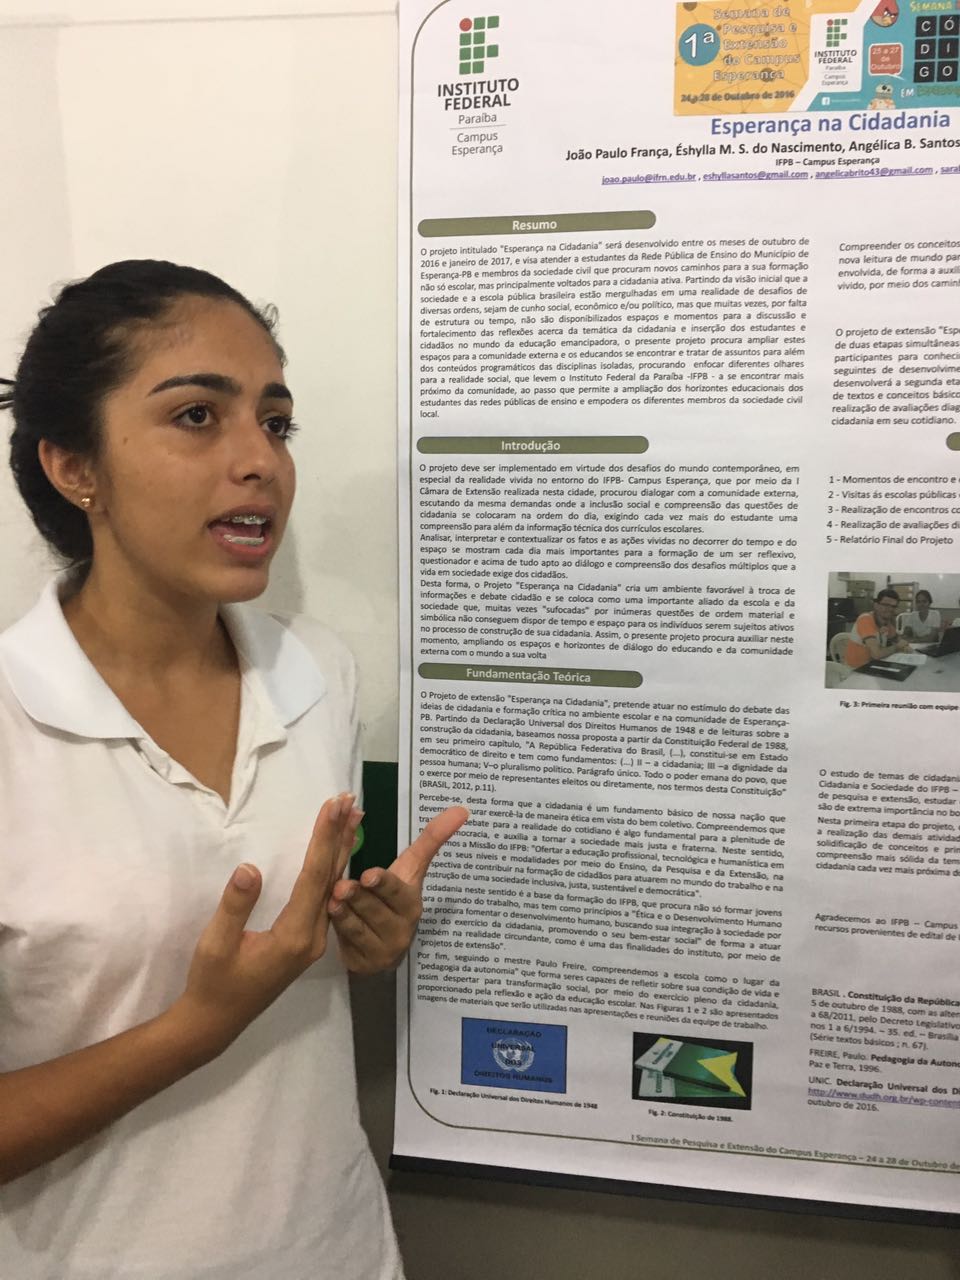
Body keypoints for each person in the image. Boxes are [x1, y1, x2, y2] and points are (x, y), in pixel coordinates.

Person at [0, 260, 467, 1280]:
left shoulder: (316, 671)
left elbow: (297, 954)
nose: (261, 460)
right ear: (75, 466)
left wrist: (365, 938)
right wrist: (195, 1028)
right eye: (197, 417)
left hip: (335, 1248)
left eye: (276, 421)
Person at [843, 586, 911, 668]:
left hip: (874, 665)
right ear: (876, 605)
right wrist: (897, 647)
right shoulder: (865, 619)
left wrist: (905, 646)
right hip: (855, 669)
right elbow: (877, 654)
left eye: (893, 606)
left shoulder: (887, 622)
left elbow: (898, 639)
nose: (890, 609)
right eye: (886, 605)